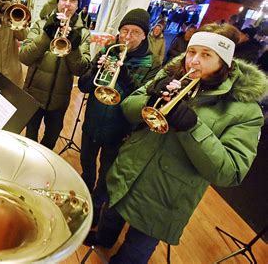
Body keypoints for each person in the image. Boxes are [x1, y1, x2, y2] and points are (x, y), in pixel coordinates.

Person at [84, 23, 267, 263]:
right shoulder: (172, 74)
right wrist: (150, 95)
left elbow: (230, 172)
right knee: (111, 215)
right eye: (192, 52)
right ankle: (105, 238)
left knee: (135, 249)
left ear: (224, 61)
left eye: (206, 55)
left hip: (166, 194)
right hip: (129, 170)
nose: (193, 61)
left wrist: (193, 128)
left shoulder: (246, 110)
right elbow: (128, 110)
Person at [77, 8, 160, 225]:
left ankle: (94, 212)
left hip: (120, 131)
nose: (127, 37)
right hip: (93, 122)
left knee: (106, 174)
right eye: (124, 30)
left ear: (144, 35)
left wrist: (124, 75)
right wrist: (95, 68)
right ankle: (84, 197)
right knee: (86, 163)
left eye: (134, 32)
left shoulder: (152, 64)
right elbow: (84, 86)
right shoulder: (109, 49)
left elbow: (144, 99)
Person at [19, 0, 91, 150]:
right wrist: (46, 35)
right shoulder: (40, 24)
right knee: (29, 141)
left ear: (78, 6)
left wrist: (72, 44)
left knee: (50, 142)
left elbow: (81, 69)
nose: (67, 3)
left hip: (59, 101)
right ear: (58, 1)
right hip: (33, 96)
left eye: (72, 0)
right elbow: (24, 57)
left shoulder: (84, 33)